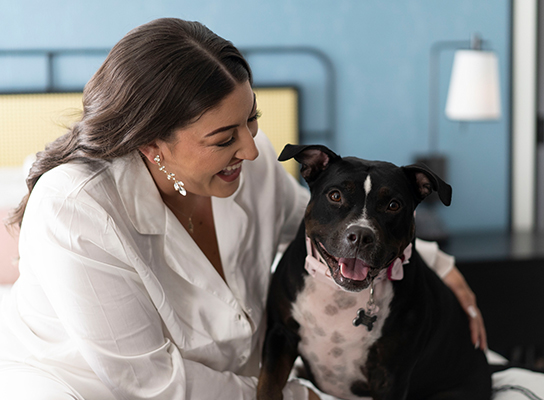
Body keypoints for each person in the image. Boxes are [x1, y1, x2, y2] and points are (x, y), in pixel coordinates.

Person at [0, 17, 485, 400]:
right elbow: (148, 382)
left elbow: (318, 224)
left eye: (251, 120)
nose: (251, 150)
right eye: (224, 137)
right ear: (152, 144)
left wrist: (443, 268)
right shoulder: (76, 210)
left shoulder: (247, 168)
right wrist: (297, 397)